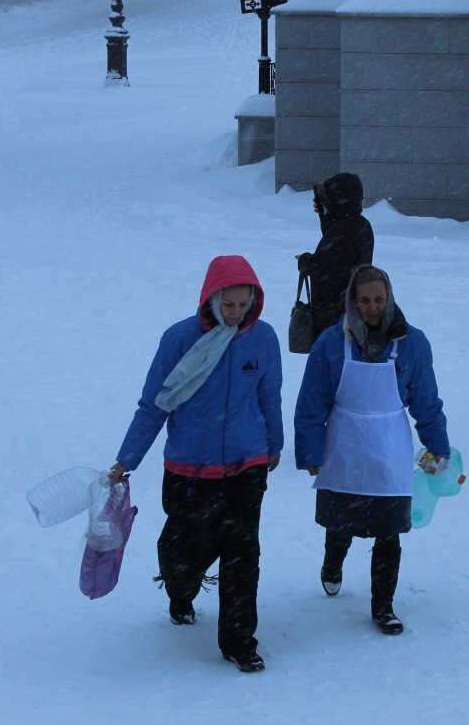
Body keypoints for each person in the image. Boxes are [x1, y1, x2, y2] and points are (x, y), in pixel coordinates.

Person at [109, 255, 283, 673]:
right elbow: (153, 406)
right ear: (211, 298)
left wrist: (273, 445)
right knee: (185, 549)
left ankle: (239, 640)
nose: (236, 314)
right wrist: (126, 460)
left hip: (247, 466)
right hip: (190, 469)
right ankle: (180, 589)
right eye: (229, 305)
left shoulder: (263, 339)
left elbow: (269, 396)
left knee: (243, 555)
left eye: (244, 305)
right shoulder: (179, 339)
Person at [293, 265, 450, 635]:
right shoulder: (331, 343)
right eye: (364, 300)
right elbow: (312, 401)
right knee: (341, 519)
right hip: (343, 443)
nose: (373, 307)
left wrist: (437, 445)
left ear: (390, 298)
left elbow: (426, 400)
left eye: (379, 299)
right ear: (352, 301)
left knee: (389, 528)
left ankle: (383, 606)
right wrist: (309, 450)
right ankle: (333, 562)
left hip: (389, 446)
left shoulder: (413, 343)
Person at [296, 172, 374, 339]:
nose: (323, 203)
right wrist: (325, 215)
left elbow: (325, 269)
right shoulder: (361, 224)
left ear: (337, 201)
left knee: (332, 357)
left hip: (334, 315)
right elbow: (335, 245)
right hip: (353, 308)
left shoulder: (341, 232)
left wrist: (305, 261)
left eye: (327, 199)